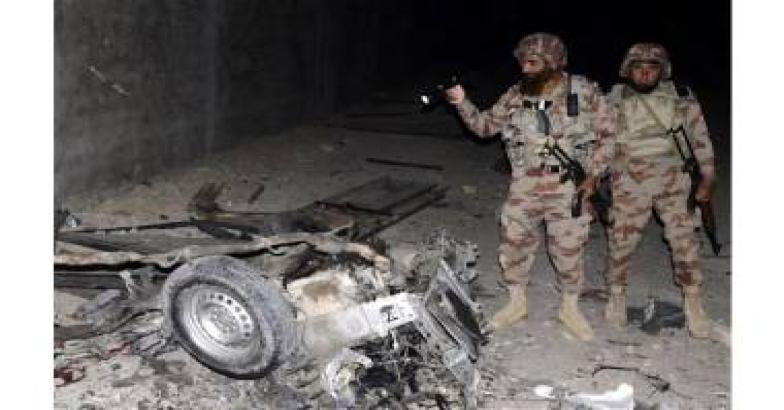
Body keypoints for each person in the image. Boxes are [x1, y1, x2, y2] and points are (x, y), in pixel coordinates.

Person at [445, 32, 616, 341]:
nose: (525, 69)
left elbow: (609, 135)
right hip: (525, 184)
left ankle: (569, 308)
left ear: (553, 62)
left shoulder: (584, 92)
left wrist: (594, 175)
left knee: (568, 247)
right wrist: (462, 103)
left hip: (568, 186)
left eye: (533, 63)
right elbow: (484, 127)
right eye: (523, 62)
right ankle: (516, 303)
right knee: (514, 242)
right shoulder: (516, 95)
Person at [604, 43, 720, 340]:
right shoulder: (614, 99)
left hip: (674, 182)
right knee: (621, 241)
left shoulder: (681, 97)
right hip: (629, 182)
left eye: (652, 67)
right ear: (628, 69)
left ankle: (693, 303)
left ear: (662, 70)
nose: (645, 72)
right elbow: (600, 143)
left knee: (685, 241)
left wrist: (707, 178)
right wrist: (593, 180)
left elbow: (701, 138)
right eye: (638, 66)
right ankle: (617, 296)